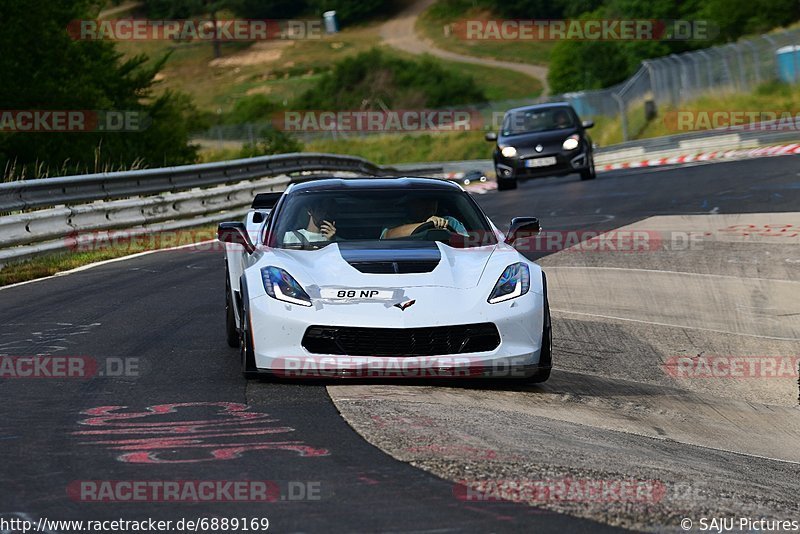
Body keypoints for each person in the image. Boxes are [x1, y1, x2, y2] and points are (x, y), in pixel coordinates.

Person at [381, 198, 467, 239]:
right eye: (422, 201)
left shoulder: (449, 221)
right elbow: (388, 235)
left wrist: (447, 233)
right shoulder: (395, 223)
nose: (429, 205)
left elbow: (468, 243)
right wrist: (426, 224)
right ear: (409, 205)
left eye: (433, 200)